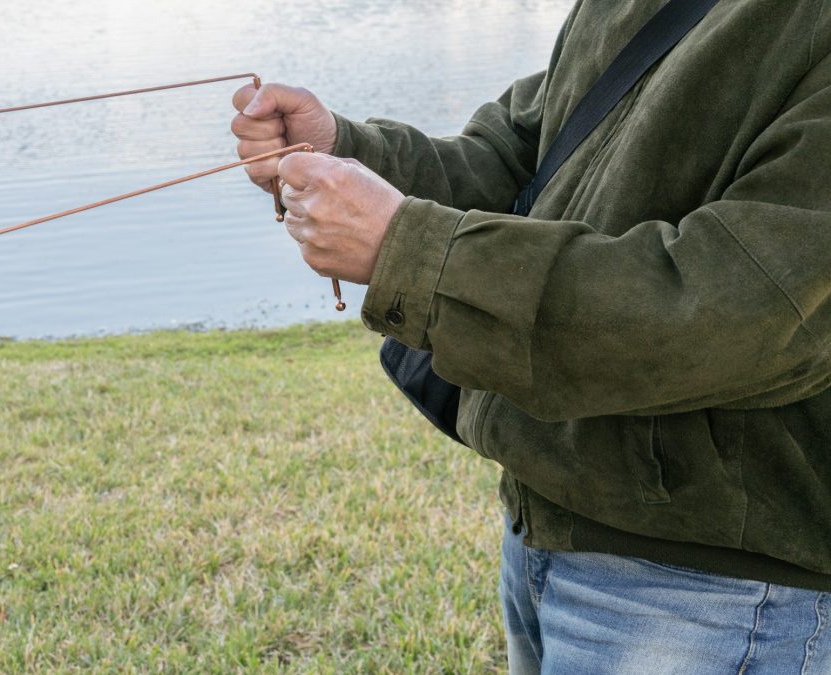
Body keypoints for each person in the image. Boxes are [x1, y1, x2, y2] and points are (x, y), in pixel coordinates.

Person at [230, 1, 831, 672]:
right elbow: (524, 160)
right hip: (544, 528)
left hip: (720, 594)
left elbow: (740, 314)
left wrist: (412, 249)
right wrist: (349, 154)